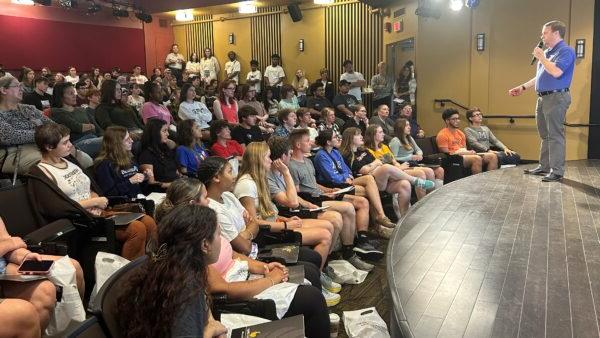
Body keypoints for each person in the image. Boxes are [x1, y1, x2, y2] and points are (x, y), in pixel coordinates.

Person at [30, 123, 157, 260]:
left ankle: (152, 263)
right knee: (136, 229)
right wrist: (94, 201)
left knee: (149, 222)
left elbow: (91, 186)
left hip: (98, 212)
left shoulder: (70, 161)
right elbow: (55, 207)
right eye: (65, 142)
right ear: (49, 147)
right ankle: (131, 276)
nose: (71, 145)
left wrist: (96, 199)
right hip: (79, 221)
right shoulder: (40, 172)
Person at [117, 203, 227, 338]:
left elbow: (205, 307)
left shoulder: (172, 267)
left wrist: (211, 321)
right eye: (219, 234)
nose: (221, 240)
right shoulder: (186, 287)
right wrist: (211, 330)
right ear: (205, 245)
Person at [268, 136, 384, 261]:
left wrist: (310, 203)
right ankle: (328, 261)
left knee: (353, 205)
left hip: (308, 200)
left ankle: (350, 251)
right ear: (283, 156)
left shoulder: (300, 164)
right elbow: (293, 201)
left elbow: (297, 197)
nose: (290, 157)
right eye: (289, 154)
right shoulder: (280, 172)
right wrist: (287, 174)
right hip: (290, 211)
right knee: (336, 218)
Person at [233, 142, 335, 272]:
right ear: (258, 159)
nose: (271, 160)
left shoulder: (258, 179)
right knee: (325, 235)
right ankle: (318, 275)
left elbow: (266, 212)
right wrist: (285, 226)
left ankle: (322, 270)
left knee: (328, 226)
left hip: (276, 223)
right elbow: (253, 222)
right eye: (268, 157)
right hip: (267, 234)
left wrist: (284, 219)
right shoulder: (246, 185)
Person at [508, 20, 575, 182]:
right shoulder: (548, 52)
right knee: (545, 134)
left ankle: (557, 171)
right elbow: (541, 75)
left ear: (556, 33)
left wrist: (542, 57)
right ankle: (544, 166)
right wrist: (523, 87)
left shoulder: (566, 51)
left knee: (555, 135)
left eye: (545, 33)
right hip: (543, 97)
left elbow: (556, 72)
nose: (542, 36)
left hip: (556, 97)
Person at [0, 217, 85, 338]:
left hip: (4, 268)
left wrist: (24, 256)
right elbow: (10, 243)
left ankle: (74, 331)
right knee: (28, 309)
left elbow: (7, 242)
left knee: (72, 267)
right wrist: (9, 244)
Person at [339, 127, 415, 218]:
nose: (361, 136)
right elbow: (364, 170)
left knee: (405, 184)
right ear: (350, 138)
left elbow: (378, 162)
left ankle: (404, 218)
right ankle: (414, 180)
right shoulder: (347, 154)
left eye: (361, 134)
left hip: (381, 179)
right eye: (358, 134)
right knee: (386, 167)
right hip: (368, 181)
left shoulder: (363, 150)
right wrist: (373, 165)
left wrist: (372, 165)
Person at [0, 74, 57, 174]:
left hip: (42, 145)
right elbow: (10, 136)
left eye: (21, 86)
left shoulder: (29, 108)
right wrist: (43, 132)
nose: (21, 89)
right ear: (4, 90)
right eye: (17, 86)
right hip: (13, 153)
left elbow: (52, 125)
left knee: (80, 158)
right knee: (49, 166)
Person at [365, 124, 435, 199]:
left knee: (429, 171)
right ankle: (421, 202)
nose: (383, 134)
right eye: (380, 132)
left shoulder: (384, 147)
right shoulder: (368, 151)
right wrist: (400, 168)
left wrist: (399, 166)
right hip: (385, 176)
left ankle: (431, 200)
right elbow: (381, 167)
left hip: (397, 169)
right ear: (373, 135)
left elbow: (394, 161)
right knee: (420, 173)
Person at [50, 82, 103, 158]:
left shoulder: (81, 109)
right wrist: (91, 127)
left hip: (94, 138)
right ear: (61, 96)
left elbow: (96, 127)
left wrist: (95, 129)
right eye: (70, 93)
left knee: (114, 138)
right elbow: (77, 127)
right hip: (76, 144)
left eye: (74, 93)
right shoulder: (56, 111)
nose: (74, 95)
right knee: (111, 141)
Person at [94, 126, 150, 198]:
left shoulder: (130, 159)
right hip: (124, 205)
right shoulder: (104, 165)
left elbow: (140, 189)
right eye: (127, 139)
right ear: (117, 144)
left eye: (130, 137)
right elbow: (109, 194)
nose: (132, 141)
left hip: (140, 199)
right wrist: (130, 181)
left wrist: (145, 178)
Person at [436, 108, 497, 174]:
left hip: (463, 155)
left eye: (458, 118)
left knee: (492, 156)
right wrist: (465, 153)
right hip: (453, 158)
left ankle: (489, 181)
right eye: (454, 119)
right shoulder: (442, 135)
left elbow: (464, 149)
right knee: (476, 159)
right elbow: (447, 154)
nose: (457, 121)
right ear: (447, 121)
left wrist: (468, 152)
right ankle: (478, 183)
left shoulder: (460, 133)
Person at [389, 118, 444, 186]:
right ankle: (429, 195)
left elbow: (418, 149)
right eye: (406, 125)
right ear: (400, 127)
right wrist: (410, 157)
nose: (409, 127)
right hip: (404, 165)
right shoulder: (395, 141)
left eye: (409, 125)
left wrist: (419, 154)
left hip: (414, 163)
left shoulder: (409, 138)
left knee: (440, 170)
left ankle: (437, 192)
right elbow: (393, 158)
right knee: (429, 172)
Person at [139, 119, 181, 190]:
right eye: (164, 131)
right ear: (155, 133)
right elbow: (151, 183)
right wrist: (174, 185)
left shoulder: (166, 149)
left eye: (167, 131)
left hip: (177, 186)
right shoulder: (146, 155)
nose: (168, 134)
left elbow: (175, 171)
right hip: (163, 192)